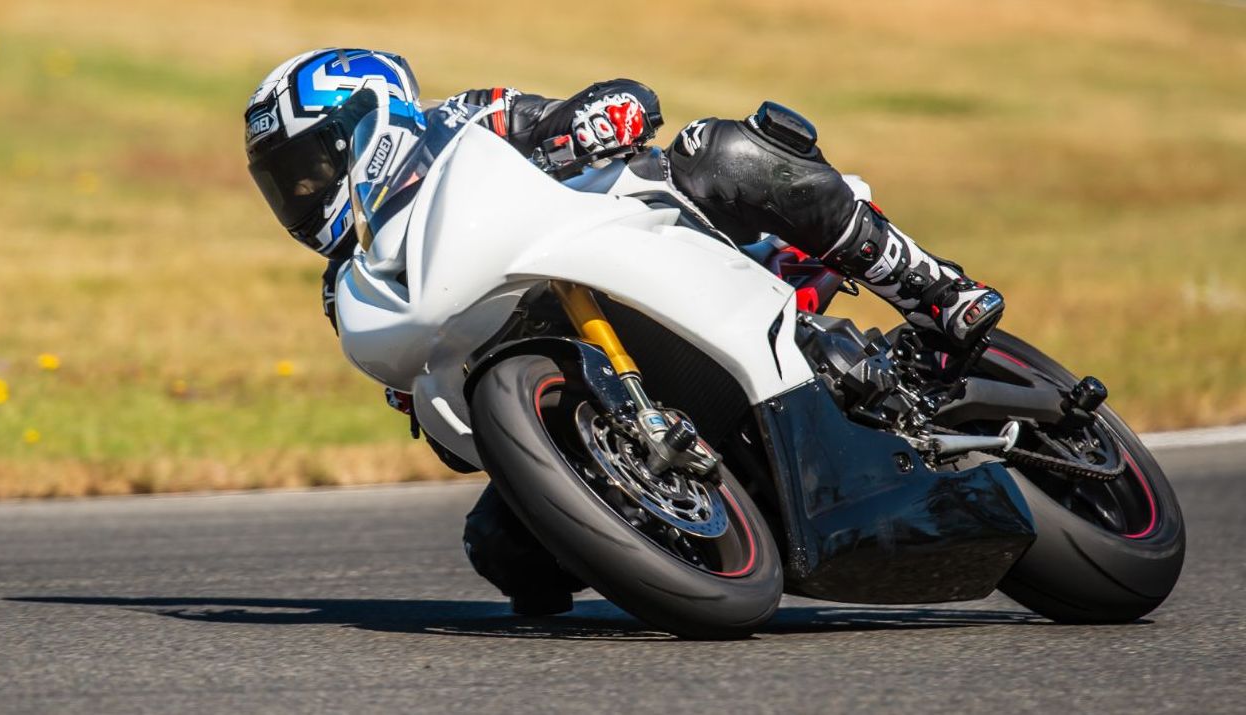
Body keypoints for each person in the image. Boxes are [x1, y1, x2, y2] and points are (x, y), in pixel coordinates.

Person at [244, 48, 1005, 615]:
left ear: (362, 120)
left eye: (307, 169)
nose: (301, 196)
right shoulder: (354, 282)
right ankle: (675, 532)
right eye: (286, 186)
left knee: (722, 151)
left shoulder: (465, 119)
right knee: (503, 554)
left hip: (645, 241)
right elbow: (445, 431)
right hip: (576, 384)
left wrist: (594, 121)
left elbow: (609, 104)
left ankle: (937, 293)